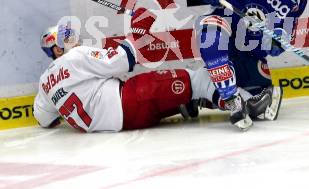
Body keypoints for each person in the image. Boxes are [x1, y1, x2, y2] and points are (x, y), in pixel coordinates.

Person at [33, 8, 273, 132]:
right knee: (196, 77)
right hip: (131, 100)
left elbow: (46, 121)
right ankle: (245, 103)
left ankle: (186, 103)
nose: (73, 40)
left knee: (179, 88)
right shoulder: (75, 56)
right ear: (56, 49)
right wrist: (139, 28)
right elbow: (123, 59)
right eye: (66, 38)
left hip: (119, 124)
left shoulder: (45, 83)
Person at [195, 0, 309, 130]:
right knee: (210, 35)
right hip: (226, 23)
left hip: (250, 48)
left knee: (259, 106)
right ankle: (231, 98)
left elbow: (285, 32)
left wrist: (278, 41)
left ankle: (202, 97)